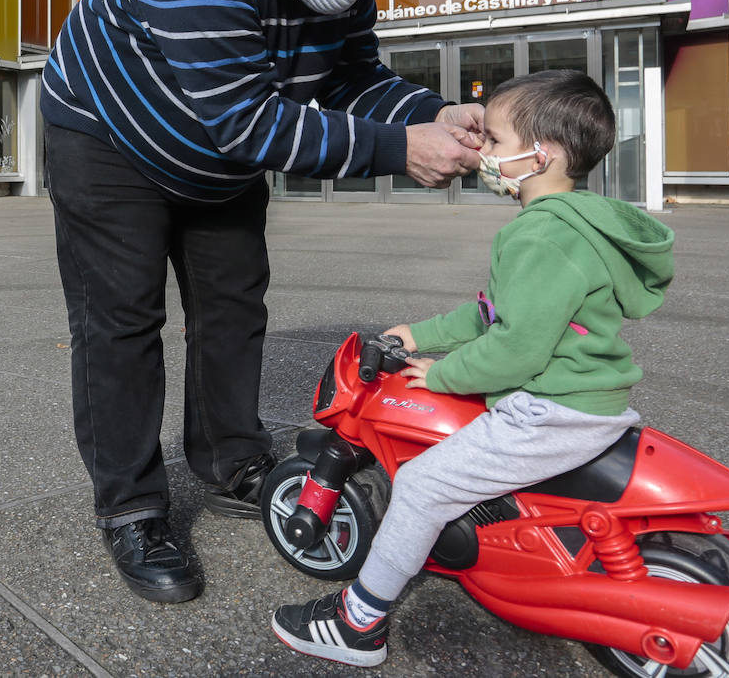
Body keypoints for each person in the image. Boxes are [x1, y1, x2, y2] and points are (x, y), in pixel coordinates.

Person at [41, 0, 484, 605]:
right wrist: (398, 151)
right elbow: (248, 123)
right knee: (121, 321)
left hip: (213, 148)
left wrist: (433, 111)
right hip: (107, 135)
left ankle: (228, 459)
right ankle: (133, 508)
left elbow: (353, 77)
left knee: (235, 305)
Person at [271, 69, 675, 666]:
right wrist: (422, 333)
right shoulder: (578, 222)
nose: (481, 153)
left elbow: (516, 349)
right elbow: (494, 314)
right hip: (585, 400)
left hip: (549, 411)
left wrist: (441, 374)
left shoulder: (540, 237)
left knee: (421, 484)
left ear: (544, 156)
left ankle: (359, 623)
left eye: (496, 141)